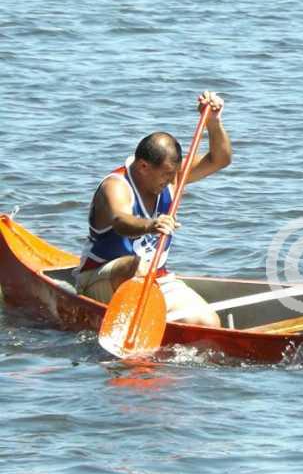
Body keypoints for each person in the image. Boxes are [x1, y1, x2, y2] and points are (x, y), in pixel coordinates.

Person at [74, 91, 232, 327]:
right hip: (101, 277)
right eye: (166, 174)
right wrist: (151, 225)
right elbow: (121, 221)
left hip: (155, 279)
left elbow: (220, 159)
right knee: (135, 265)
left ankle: (158, 325)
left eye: (173, 173)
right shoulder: (115, 186)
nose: (171, 180)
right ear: (143, 167)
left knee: (208, 322)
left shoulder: (172, 177)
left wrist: (213, 122)